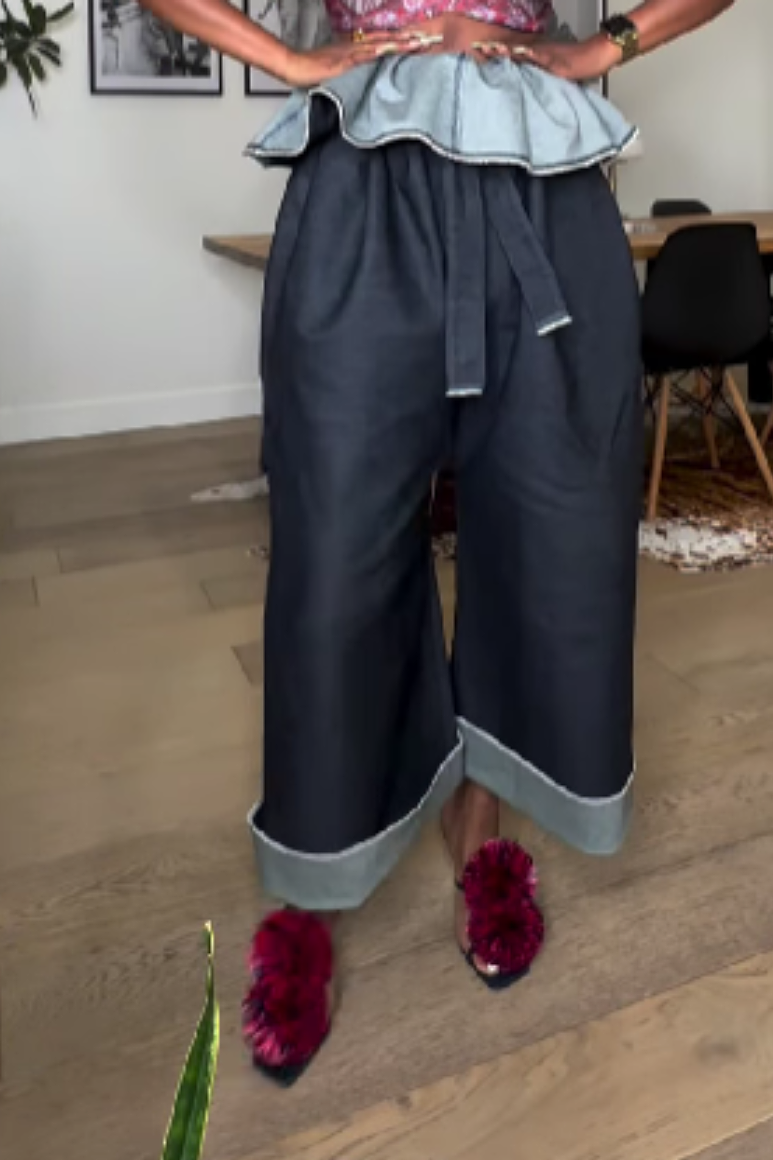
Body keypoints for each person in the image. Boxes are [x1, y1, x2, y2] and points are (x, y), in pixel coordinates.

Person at [138, 0, 735, 1084]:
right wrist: (285, 60)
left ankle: (480, 812)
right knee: (333, 556)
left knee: (552, 530)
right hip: (362, 181)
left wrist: (604, 47)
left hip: (541, 183)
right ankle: (316, 880)